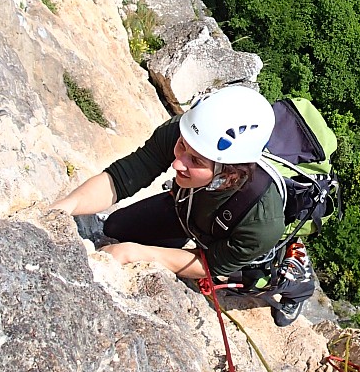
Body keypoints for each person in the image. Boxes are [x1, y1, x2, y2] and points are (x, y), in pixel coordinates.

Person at [51, 85, 287, 284]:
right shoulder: (185, 133)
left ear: (230, 174)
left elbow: (211, 265)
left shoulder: (261, 222)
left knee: (246, 276)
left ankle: (295, 280)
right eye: (182, 146)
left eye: (195, 161)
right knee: (115, 228)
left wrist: (137, 254)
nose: (176, 164)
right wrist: (62, 209)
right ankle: (178, 234)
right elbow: (122, 178)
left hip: (225, 235)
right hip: (186, 207)